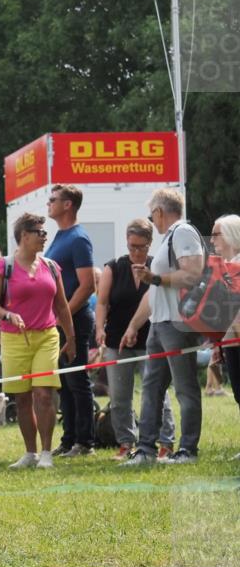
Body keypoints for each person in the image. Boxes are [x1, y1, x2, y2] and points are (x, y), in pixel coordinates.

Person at [120, 188, 206, 465]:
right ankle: (145, 450)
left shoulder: (182, 232)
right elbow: (153, 292)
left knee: (184, 388)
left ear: (159, 212)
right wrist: (134, 325)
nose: (152, 221)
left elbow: (192, 274)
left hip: (177, 324)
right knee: (151, 387)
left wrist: (155, 279)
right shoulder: (170, 237)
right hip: (159, 323)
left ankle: (188, 450)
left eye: (152, 215)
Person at [0, 213, 76, 469]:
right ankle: (30, 452)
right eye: (40, 232)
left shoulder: (50, 266)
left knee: (44, 394)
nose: (44, 237)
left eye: (44, 232)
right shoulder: (3, 267)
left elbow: (61, 305)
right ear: (23, 236)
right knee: (23, 399)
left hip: (47, 336)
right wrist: (8, 314)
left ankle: (47, 452)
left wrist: (71, 338)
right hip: (14, 340)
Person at [95, 219, 176, 460]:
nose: (136, 252)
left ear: (150, 244)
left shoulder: (157, 268)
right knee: (120, 396)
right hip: (116, 341)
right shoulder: (114, 267)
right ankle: (125, 443)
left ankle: (165, 442)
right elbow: (101, 302)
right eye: (131, 247)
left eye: (140, 247)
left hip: (151, 341)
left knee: (159, 393)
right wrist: (99, 328)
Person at [45, 184, 96, 457]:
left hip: (75, 319)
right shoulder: (59, 236)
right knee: (64, 382)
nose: (48, 204)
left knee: (77, 380)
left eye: (53, 200)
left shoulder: (78, 238)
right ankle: (69, 440)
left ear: (68, 205)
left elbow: (87, 285)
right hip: (60, 322)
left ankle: (85, 442)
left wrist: (63, 315)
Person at [209, 214, 240, 459]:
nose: (212, 240)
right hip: (231, 339)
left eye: (216, 234)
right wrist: (218, 341)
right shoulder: (224, 266)